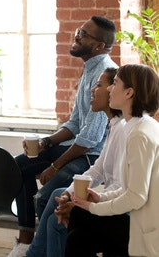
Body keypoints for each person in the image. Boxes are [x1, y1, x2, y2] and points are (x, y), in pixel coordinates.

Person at [8, 16, 118, 257]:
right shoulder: (89, 69)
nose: (77, 35)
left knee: (47, 198)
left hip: (89, 155)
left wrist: (55, 167)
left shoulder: (105, 73)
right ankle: (25, 239)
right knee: (17, 166)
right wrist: (47, 143)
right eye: (80, 29)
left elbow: (89, 138)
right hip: (77, 146)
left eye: (84, 34)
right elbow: (75, 123)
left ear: (99, 46)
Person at [26, 67, 125, 257]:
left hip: (121, 211)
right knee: (57, 194)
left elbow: (126, 189)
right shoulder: (114, 126)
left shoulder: (125, 130)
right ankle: (33, 254)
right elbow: (97, 171)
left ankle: (32, 254)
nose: (92, 90)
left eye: (99, 85)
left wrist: (87, 202)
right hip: (110, 202)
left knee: (57, 218)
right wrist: (68, 193)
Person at [67, 64, 159, 257]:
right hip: (138, 221)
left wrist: (95, 207)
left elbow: (136, 196)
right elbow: (130, 188)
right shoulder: (138, 125)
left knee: (79, 218)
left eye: (115, 83)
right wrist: (100, 197)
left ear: (129, 93)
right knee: (79, 237)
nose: (109, 88)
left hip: (144, 230)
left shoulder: (139, 134)